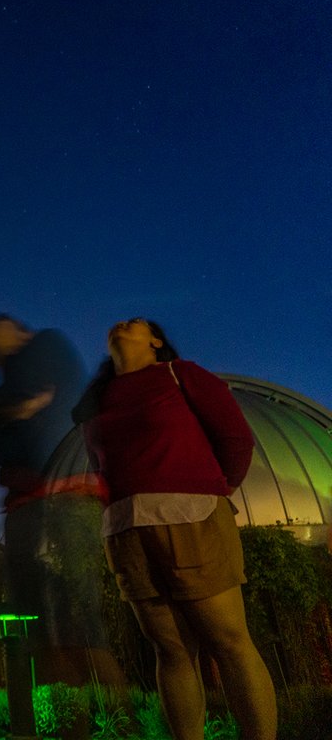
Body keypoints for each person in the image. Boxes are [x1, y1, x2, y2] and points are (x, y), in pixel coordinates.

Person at [72, 317, 277, 740]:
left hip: (192, 519)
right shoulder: (99, 399)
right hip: (127, 530)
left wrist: (213, 492)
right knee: (171, 649)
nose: (120, 323)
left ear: (156, 341)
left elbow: (237, 440)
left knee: (230, 642)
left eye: (135, 322)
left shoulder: (179, 375)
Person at [0, 316, 125, 692]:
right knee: (40, 627)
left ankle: (116, 723)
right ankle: (66, 722)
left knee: (80, 622)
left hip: (66, 500)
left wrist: (12, 415)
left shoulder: (46, 347)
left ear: (16, 329)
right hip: (28, 507)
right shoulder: (2, 392)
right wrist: (17, 412)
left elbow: (48, 428)